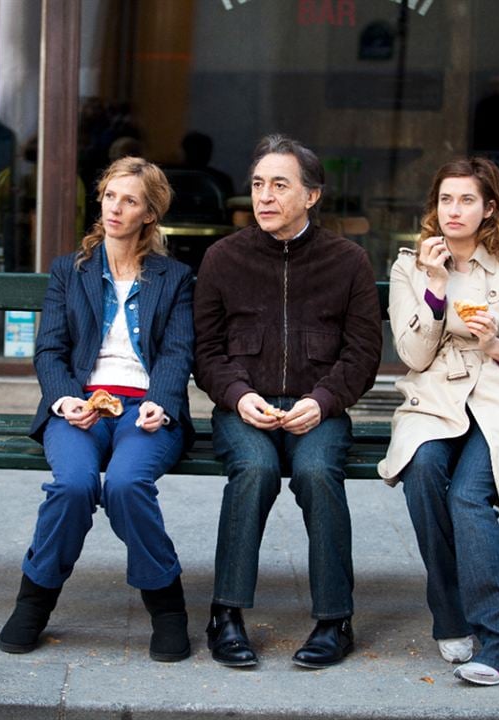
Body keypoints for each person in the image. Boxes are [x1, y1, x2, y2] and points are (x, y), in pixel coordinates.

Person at [193, 134, 383, 669]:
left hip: (318, 409)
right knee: (252, 470)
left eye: (280, 185)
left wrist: (323, 401)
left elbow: (363, 353)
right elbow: (205, 351)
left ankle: (333, 620)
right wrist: (238, 395)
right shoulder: (222, 258)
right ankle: (225, 614)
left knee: (319, 473)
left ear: (312, 196)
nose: (265, 196)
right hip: (243, 409)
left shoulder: (347, 261)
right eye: (258, 185)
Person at [0, 157, 196, 662]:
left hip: (144, 409)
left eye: (129, 200)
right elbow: (50, 350)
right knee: (74, 485)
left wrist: (161, 404)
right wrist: (65, 399)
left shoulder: (173, 278)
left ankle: (167, 606)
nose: (115, 208)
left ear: (149, 214)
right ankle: (34, 600)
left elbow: (177, 353)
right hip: (79, 404)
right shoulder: (71, 270)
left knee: (127, 486)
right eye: (110, 196)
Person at [378, 157, 499, 685]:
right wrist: (435, 288)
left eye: (467, 200)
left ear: (489, 210)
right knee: (423, 473)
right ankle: (451, 614)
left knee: (466, 497)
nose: (454, 210)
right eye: (445, 200)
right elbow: (412, 355)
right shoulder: (409, 267)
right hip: (435, 401)